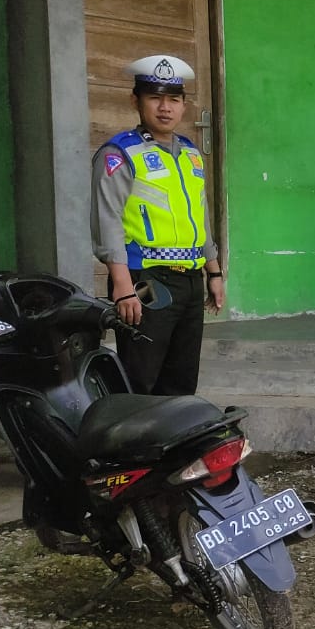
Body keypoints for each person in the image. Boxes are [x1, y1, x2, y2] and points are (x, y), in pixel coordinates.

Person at [90, 54, 224, 395]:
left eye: (174, 100)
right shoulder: (120, 153)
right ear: (136, 101)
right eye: (155, 97)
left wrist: (214, 273)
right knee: (140, 379)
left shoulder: (191, 154)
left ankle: (171, 449)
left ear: (184, 106)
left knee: (181, 382)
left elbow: (200, 216)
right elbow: (108, 221)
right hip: (146, 282)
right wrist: (122, 286)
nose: (165, 108)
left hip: (191, 281)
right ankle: (136, 448)